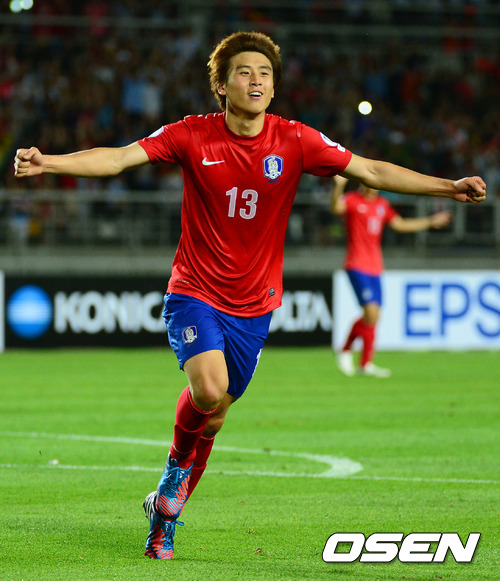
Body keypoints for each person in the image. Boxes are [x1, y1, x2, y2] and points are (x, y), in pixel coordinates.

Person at [13, 31, 486, 560]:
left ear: (274, 87)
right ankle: (170, 483)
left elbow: (371, 170)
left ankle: (165, 514)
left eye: (265, 73)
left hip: (256, 305)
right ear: (221, 85)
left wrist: (448, 186)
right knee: (209, 389)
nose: (256, 80)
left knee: (215, 415)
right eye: (244, 71)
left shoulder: (296, 140)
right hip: (194, 290)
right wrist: (49, 163)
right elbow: (120, 158)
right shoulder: (192, 134)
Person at [332, 175, 453, 378]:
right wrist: (338, 188)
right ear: (362, 183)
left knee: (373, 317)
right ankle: (347, 351)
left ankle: (364, 364)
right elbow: (336, 208)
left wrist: (430, 221)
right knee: (371, 313)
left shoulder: (382, 204)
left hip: (375, 267)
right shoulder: (352, 199)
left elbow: (400, 224)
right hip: (356, 264)